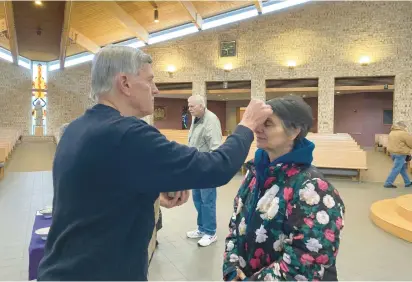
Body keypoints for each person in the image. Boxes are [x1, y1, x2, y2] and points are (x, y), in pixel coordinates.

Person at [37, 45, 273, 281]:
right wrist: (247, 125)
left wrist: (148, 189)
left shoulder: (76, 129)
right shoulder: (128, 134)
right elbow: (217, 167)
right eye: (149, 80)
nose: (156, 89)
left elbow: (97, 190)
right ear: (125, 83)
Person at [222, 95, 345, 281]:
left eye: (268, 124)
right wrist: (231, 269)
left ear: (294, 131)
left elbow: (304, 264)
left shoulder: (314, 189)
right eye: (259, 122)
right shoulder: (255, 172)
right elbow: (235, 225)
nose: (257, 128)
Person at [186, 95, 222, 247]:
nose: (189, 109)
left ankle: (210, 232)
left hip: (207, 167)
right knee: (198, 199)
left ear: (201, 106)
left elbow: (215, 146)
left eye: (192, 106)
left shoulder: (211, 120)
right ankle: (202, 228)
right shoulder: (196, 118)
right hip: (196, 166)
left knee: (208, 201)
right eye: (189, 106)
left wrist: (211, 168)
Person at [384, 121, 412, 188]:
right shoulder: (403, 133)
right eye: (405, 127)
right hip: (401, 153)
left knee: (401, 169)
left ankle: (407, 182)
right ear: (402, 126)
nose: (405, 128)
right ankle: (388, 183)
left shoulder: (392, 132)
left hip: (393, 153)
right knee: (396, 168)